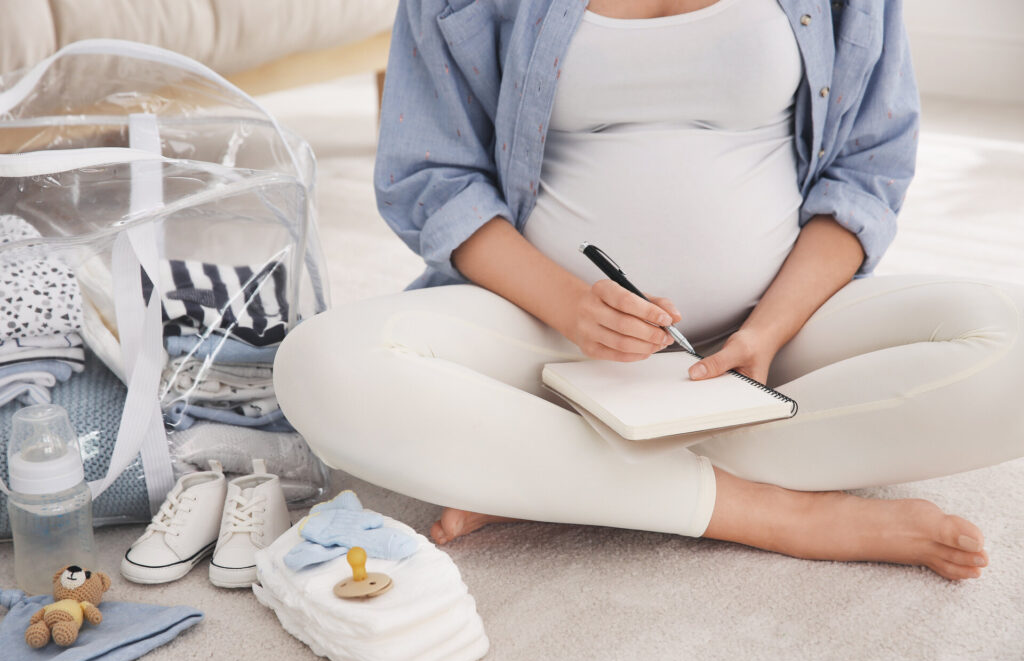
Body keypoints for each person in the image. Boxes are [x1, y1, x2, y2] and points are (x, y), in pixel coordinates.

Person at [273, 0, 1024, 581]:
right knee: (320, 365)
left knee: (1010, 342)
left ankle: (545, 470)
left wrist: (766, 329)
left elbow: (867, 170)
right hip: (546, 338)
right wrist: (571, 304)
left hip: (776, 340)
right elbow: (432, 178)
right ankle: (768, 512)